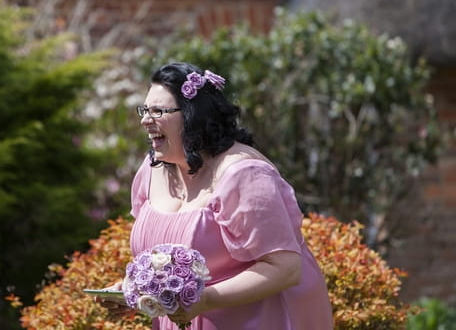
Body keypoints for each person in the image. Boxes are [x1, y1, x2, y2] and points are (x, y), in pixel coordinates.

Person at [100, 62, 333, 329]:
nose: (145, 120)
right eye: (145, 110)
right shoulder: (152, 170)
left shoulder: (245, 175)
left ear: (193, 116)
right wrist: (134, 292)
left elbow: (285, 267)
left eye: (159, 111)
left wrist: (205, 299)